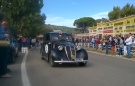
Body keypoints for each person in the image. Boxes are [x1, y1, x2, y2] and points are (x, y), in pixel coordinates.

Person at [0, 12, 12, 78]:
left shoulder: (1, 26)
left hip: (4, 43)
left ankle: (4, 69)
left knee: (5, 57)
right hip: (2, 44)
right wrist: (5, 35)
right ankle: (3, 72)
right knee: (4, 57)